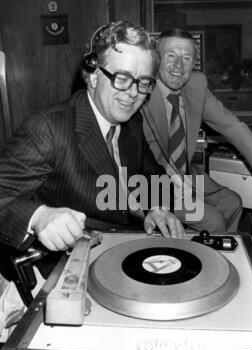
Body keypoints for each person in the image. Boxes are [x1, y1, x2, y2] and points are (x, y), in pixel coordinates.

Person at [0, 21, 185, 253]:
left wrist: (157, 207)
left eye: (143, 82)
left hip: (128, 241)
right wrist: (39, 216)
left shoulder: (132, 122)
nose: (133, 93)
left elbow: (153, 175)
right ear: (95, 76)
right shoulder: (47, 128)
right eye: (122, 77)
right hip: (73, 257)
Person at [141, 28, 252, 233]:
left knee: (233, 204)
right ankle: (208, 261)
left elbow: (230, 125)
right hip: (151, 182)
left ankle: (221, 254)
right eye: (170, 55)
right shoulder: (141, 88)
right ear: (156, 60)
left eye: (186, 57)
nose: (178, 66)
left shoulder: (196, 85)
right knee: (214, 221)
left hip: (187, 176)